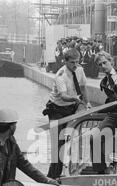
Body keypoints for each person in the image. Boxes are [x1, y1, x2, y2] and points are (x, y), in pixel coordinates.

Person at [43, 48, 92, 179]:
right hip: (56, 110)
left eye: (77, 62)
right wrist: (75, 99)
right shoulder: (60, 75)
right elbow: (64, 96)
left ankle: (70, 170)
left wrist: (86, 103)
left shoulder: (79, 70)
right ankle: (52, 176)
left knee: (71, 140)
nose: (75, 65)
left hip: (71, 107)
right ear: (65, 61)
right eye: (72, 63)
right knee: (57, 144)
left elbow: (83, 87)